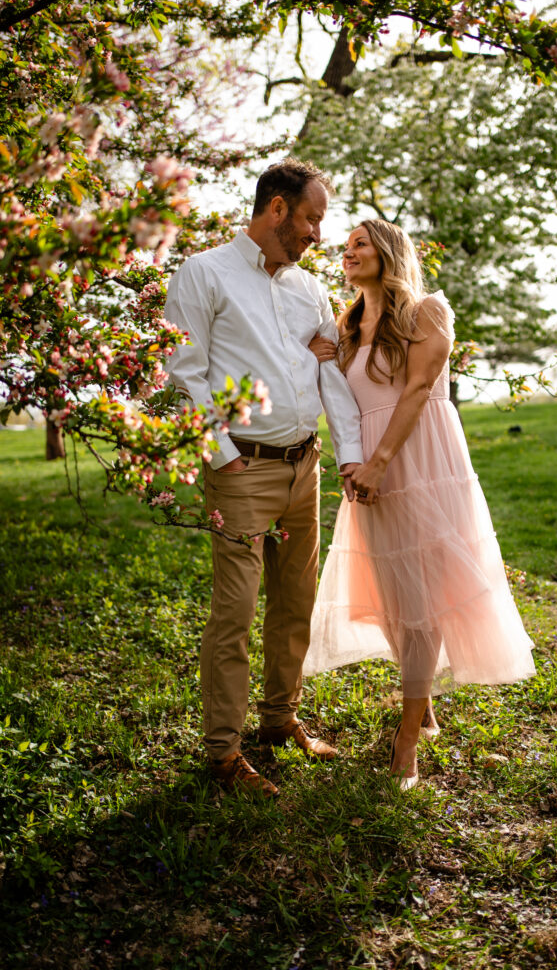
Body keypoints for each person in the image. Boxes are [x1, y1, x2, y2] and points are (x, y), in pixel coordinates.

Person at [305, 219, 535, 789]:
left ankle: (408, 734)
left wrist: (382, 460)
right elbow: (341, 400)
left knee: (423, 594)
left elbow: (415, 390)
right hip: (369, 465)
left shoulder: (427, 311)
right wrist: (353, 460)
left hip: (421, 460)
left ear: (386, 250)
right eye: (346, 245)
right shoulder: (348, 324)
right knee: (387, 591)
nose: (347, 251)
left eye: (359, 243)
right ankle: (421, 693)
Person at [164, 159, 363, 798]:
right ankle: (223, 753)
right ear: (275, 208)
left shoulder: (308, 289)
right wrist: (223, 456)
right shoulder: (204, 273)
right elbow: (182, 374)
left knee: (295, 601)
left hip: (304, 466)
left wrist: (347, 452)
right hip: (242, 468)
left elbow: (327, 369)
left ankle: (280, 721)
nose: (316, 234)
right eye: (309, 218)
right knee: (236, 612)